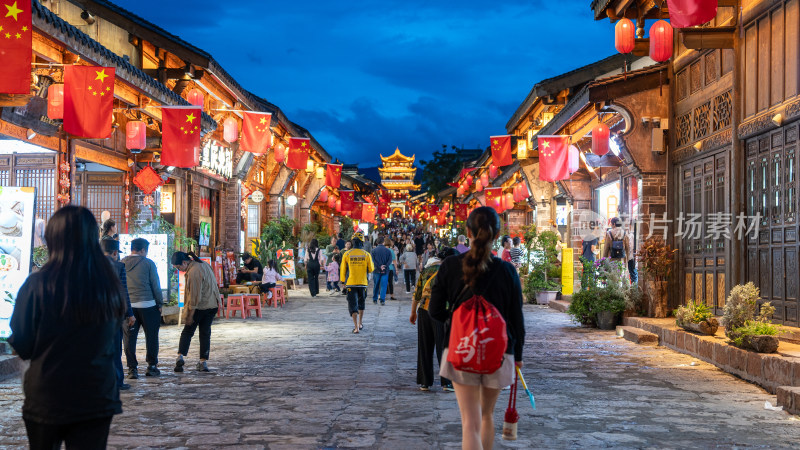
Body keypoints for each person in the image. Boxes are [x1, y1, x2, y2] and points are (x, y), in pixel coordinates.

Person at [9, 206, 127, 449]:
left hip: (47, 394)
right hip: (97, 394)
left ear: (52, 238)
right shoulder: (108, 283)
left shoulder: (38, 283)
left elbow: (23, 344)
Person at [429, 207, 526, 450]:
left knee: (469, 422)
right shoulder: (507, 270)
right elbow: (516, 318)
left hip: (461, 347)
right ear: (497, 234)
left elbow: (434, 310)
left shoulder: (450, 266)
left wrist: (456, 324)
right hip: (499, 349)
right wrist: (519, 355)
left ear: (468, 232)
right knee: (486, 416)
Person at [411, 247, 455, 392]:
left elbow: (417, 294)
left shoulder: (426, 270)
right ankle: (446, 382)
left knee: (424, 346)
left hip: (423, 311)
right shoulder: (450, 272)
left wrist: (413, 313)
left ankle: (425, 382)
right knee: (444, 346)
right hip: (442, 312)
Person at [171, 251, 221, 373]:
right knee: (205, 333)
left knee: (187, 331)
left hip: (200, 307)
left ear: (184, 262)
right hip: (212, 304)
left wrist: (190, 315)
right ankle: (203, 362)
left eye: (179, 268)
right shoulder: (203, 264)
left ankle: (180, 356)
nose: (180, 271)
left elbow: (194, 296)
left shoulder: (193, 272)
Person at [122, 238, 164, 378]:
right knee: (151, 337)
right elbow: (155, 285)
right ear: (143, 250)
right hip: (148, 305)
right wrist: (159, 303)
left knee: (129, 338)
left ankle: (132, 368)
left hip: (129, 308)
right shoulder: (148, 263)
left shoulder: (121, 263)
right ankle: (151, 366)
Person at [101, 238, 135, 392]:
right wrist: (130, 314)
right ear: (115, 252)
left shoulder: (89, 265)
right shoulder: (119, 266)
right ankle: (117, 381)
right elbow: (123, 293)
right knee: (115, 348)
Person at [340, 231, 374, 333]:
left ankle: (356, 327)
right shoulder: (366, 254)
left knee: (352, 305)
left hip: (350, 283)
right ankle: (360, 322)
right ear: (362, 243)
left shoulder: (347, 254)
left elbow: (343, 269)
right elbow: (371, 269)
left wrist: (342, 281)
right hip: (363, 283)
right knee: (361, 303)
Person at [602, 217, 633, 283]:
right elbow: (628, 248)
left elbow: (606, 249)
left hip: (612, 259)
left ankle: (613, 292)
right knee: (621, 277)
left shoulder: (609, 233)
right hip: (622, 260)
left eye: (611, 224)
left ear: (614, 224)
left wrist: (604, 260)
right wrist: (627, 260)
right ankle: (620, 291)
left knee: (612, 278)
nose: (611, 225)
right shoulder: (625, 233)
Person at [371, 236, 392, 305]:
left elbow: (373, 261)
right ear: (384, 242)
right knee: (383, 285)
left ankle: (375, 299)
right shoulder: (388, 251)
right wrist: (384, 266)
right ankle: (382, 300)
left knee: (376, 285)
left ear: (377, 242)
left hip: (376, 270)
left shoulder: (373, 251)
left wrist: (379, 266)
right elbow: (390, 260)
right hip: (385, 270)